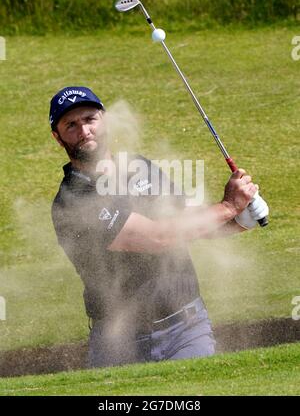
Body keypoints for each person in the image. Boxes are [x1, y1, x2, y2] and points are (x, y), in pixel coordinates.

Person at [50, 86, 268, 368]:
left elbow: (181, 221)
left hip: (187, 330)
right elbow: (157, 237)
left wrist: (237, 221)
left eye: (90, 119)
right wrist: (227, 206)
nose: (84, 131)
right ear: (57, 137)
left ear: (104, 120)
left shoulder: (138, 166)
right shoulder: (73, 200)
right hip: (118, 344)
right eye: (71, 125)